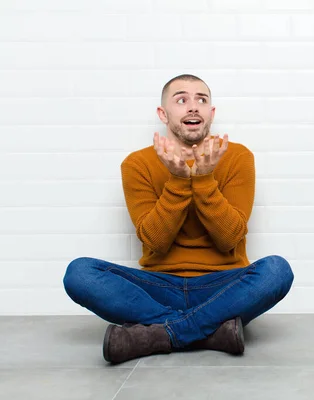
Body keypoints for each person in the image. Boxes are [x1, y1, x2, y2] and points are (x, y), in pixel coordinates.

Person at [63, 74, 294, 364]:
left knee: (277, 270)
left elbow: (229, 239)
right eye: (181, 100)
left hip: (222, 287)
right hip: (159, 288)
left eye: (202, 99)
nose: (193, 107)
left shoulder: (237, 157)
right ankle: (208, 331)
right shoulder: (138, 163)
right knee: (79, 273)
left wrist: (205, 178)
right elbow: (156, 242)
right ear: (163, 114)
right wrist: (178, 181)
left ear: (211, 112)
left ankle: (162, 333)